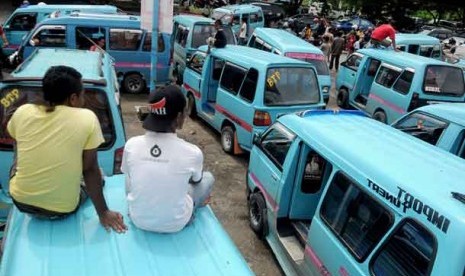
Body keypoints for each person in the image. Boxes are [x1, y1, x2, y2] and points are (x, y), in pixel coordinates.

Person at [6, 66, 127, 233]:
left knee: (19, 146)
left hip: (20, 201)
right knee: (98, 172)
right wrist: (104, 213)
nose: (84, 100)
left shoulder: (22, 111)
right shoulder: (87, 118)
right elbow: (89, 170)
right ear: (73, 98)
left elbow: (15, 140)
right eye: (83, 95)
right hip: (61, 210)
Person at [121, 85, 214, 233]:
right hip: (176, 224)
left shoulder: (131, 144)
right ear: (178, 117)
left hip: (138, 219)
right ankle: (195, 208)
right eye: (185, 112)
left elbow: (131, 175)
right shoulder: (192, 152)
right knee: (208, 178)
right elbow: (195, 182)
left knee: (129, 174)